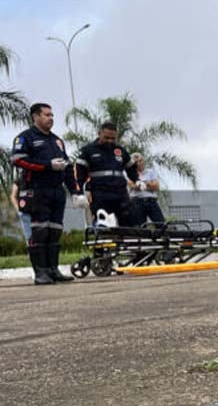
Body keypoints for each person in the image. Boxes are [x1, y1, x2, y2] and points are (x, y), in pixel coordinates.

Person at [10, 102, 82, 284]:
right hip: (37, 190)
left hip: (57, 192)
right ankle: (41, 272)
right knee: (39, 232)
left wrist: (74, 191)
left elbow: (66, 167)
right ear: (35, 116)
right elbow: (19, 160)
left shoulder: (57, 140)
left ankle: (53, 269)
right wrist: (46, 165)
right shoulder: (25, 138)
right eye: (47, 115)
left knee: (55, 232)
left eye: (52, 115)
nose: (51, 118)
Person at [75, 122, 139, 226]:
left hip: (121, 195)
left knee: (130, 226)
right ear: (99, 133)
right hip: (100, 195)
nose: (110, 141)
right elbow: (79, 173)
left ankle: (125, 242)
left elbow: (131, 168)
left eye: (113, 138)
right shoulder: (88, 150)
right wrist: (79, 193)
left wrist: (137, 180)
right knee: (105, 227)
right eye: (107, 137)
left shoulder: (120, 150)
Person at [129, 152, 165, 225]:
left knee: (161, 225)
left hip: (152, 202)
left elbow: (157, 186)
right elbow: (132, 186)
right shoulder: (129, 173)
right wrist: (149, 183)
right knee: (140, 228)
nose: (139, 163)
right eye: (136, 162)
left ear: (143, 161)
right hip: (137, 202)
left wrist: (141, 183)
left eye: (140, 161)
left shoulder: (150, 172)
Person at [9, 176, 31, 244]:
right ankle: (32, 253)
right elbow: (13, 196)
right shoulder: (19, 180)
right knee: (29, 236)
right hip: (25, 213)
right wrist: (18, 209)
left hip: (38, 212)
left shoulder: (38, 179)